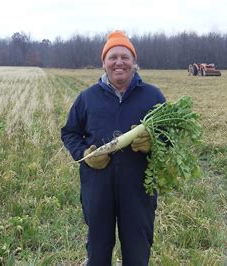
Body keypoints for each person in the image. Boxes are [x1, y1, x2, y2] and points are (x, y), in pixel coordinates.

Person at [61, 30, 166, 265]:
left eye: (125, 57)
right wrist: (84, 154)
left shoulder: (152, 96)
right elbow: (70, 133)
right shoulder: (87, 98)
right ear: (104, 63)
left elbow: (170, 136)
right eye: (113, 57)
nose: (119, 62)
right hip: (97, 187)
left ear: (134, 62)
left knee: (137, 254)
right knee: (97, 254)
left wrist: (154, 144)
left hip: (139, 188)